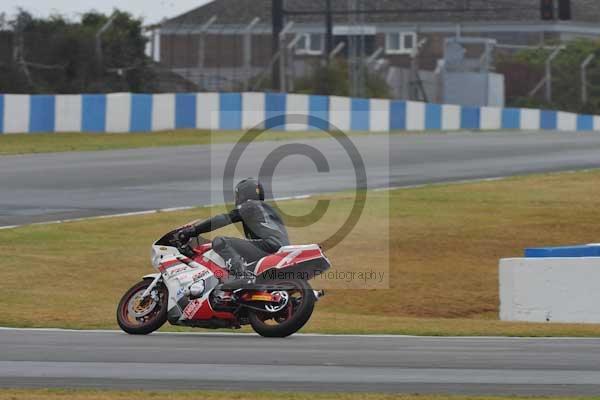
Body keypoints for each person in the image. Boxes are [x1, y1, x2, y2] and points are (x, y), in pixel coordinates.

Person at [176, 178, 290, 286]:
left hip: (269, 245)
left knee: (221, 241)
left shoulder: (249, 205)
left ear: (243, 194)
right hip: (283, 248)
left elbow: (222, 219)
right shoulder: (268, 210)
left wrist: (193, 230)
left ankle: (241, 275)